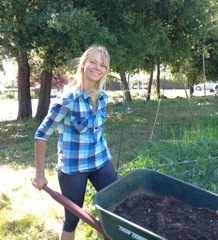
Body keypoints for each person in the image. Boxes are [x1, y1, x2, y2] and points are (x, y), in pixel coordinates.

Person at [31, 45, 118, 240]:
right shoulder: (67, 99)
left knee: (116, 208)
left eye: (102, 65)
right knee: (72, 219)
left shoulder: (102, 97)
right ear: (84, 64)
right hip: (73, 168)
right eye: (93, 62)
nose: (97, 67)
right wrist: (39, 174)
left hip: (100, 161)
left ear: (106, 70)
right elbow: (41, 134)